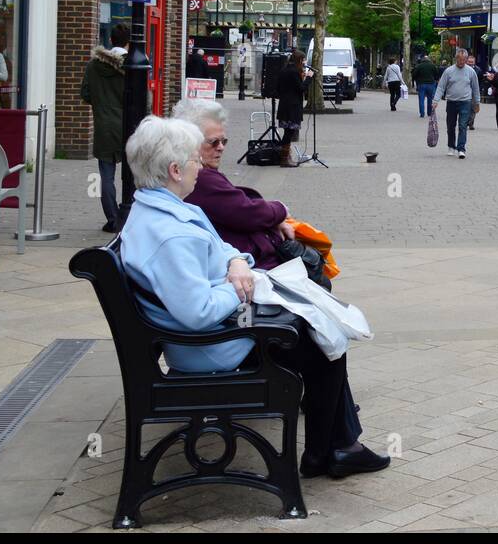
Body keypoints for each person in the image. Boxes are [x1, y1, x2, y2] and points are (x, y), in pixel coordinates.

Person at [119, 116, 386, 480]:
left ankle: (335, 449)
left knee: (319, 328)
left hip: (214, 330)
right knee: (325, 343)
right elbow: (197, 313)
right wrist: (239, 286)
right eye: (195, 159)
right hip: (211, 347)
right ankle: (329, 452)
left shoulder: (161, 209)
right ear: (175, 170)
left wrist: (236, 262)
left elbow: (221, 247)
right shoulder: (171, 236)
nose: (201, 166)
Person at [173, 98, 296, 268]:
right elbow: (247, 212)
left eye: (224, 141)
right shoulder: (200, 178)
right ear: (190, 142)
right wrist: (280, 209)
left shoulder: (199, 175)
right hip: (252, 266)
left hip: (244, 261)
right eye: (213, 142)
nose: (221, 147)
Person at [81, 24, 129, 233]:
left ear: (111, 41)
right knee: (133, 175)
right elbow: (143, 100)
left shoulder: (94, 66)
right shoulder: (133, 64)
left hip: (103, 126)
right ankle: (129, 216)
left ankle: (112, 219)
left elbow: (85, 94)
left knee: (106, 176)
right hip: (129, 127)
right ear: (129, 42)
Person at [434, 48, 480, 158]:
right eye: (460, 59)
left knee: (463, 125)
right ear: (456, 59)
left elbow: (475, 88)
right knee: (451, 126)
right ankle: (451, 146)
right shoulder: (448, 71)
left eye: (464, 59)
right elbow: (441, 87)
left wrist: (477, 102)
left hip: (466, 102)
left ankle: (461, 148)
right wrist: (436, 100)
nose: (462, 62)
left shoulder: (471, 72)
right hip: (451, 102)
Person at [276, 50, 311, 168]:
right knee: (289, 132)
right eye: (303, 60)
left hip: (284, 105)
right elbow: (301, 89)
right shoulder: (294, 72)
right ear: (300, 60)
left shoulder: (283, 70)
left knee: (287, 132)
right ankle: (284, 159)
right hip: (293, 106)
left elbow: (279, 88)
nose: (304, 62)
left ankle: (286, 156)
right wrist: (309, 79)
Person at [413, 53, 441, 118]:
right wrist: (435, 79)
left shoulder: (419, 66)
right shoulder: (432, 66)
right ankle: (429, 113)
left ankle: (422, 113)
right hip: (431, 84)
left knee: (421, 99)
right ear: (429, 60)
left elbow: (414, 74)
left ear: (423, 60)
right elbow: (437, 74)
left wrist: (417, 80)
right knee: (430, 99)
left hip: (421, 84)